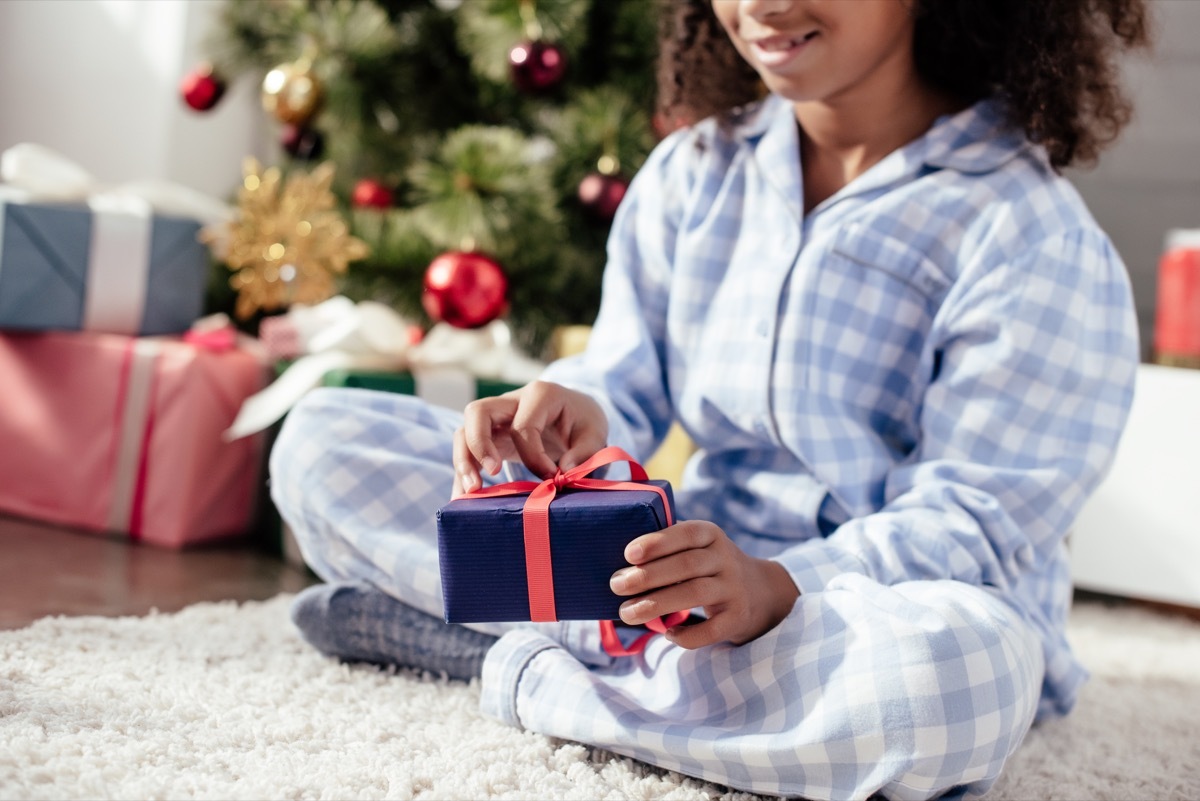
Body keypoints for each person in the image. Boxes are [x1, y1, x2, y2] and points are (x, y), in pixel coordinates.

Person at [271, 0, 1151, 797]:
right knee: (320, 438)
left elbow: (972, 526)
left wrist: (774, 588)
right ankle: (661, 679)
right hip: (681, 565)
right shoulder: (697, 168)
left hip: (870, 606)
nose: (761, 7)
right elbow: (624, 380)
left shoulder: (1029, 233)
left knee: (960, 682)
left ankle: (510, 657)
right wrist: (572, 412)